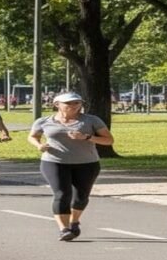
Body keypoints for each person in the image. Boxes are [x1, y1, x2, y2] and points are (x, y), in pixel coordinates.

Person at [27, 92, 114, 241]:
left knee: (81, 197)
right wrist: (39, 145)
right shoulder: (44, 121)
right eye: (69, 103)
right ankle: (64, 229)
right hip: (54, 162)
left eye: (77, 103)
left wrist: (87, 137)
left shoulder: (91, 120)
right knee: (62, 194)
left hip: (87, 163)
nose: (74, 106)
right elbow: (32, 136)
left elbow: (109, 140)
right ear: (57, 105)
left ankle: (74, 221)